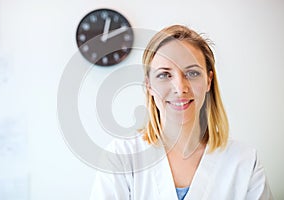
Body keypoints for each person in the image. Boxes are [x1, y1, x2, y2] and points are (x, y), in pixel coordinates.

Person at [90, 25, 273, 199]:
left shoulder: (245, 161)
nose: (180, 88)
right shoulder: (121, 157)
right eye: (164, 75)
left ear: (208, 81)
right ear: (149, 85)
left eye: (192, 73)